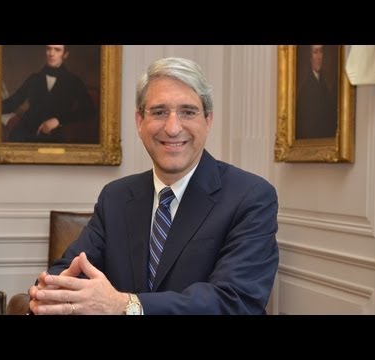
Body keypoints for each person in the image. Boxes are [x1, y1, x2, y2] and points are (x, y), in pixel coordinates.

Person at [28, 57, 279, 315]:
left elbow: (234, 302)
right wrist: (49, 294)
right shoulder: (115, 197)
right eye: (159, 112)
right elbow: (70, 268)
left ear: (208, 120)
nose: (172, 128)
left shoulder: (250, 197)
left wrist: (126, 306)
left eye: (188, 112)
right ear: (139, 122)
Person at [2, 45, 96, 143]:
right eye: (48, 49)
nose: (51, 53)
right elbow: (12, 103)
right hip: (24, 132)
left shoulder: (74, 81)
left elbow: (88, 111)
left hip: (53, 136)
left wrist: (58, 120)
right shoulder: (34, 78)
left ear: (65, 55)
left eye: (57, 50)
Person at [296, 45, 337, 139]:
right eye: (315, 52)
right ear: (310, 58)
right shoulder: (306, 88)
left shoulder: (323, 83)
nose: (319, 57)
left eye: (321, 52)